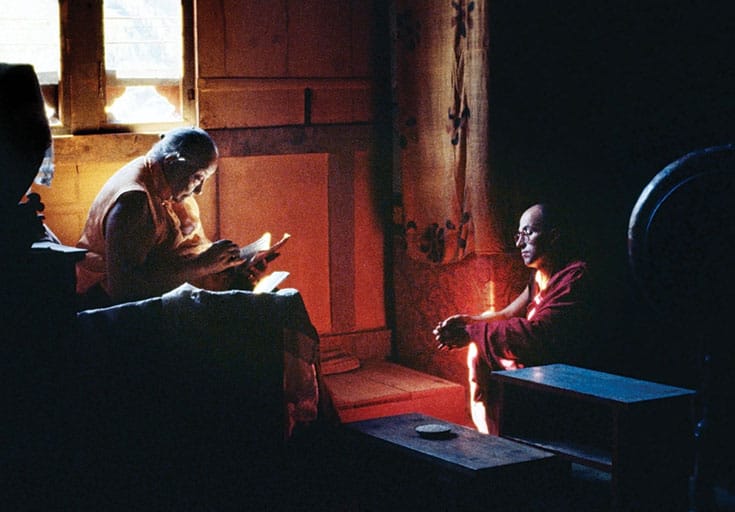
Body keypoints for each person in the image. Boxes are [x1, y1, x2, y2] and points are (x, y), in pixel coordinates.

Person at [433, 203, 593, 434]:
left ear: (554, 236)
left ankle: (504, 436)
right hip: (540, 361)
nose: (519, 244)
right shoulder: (539, 276)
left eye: (528, 233)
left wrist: (470, 333)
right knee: (479, 344)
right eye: (518, 235)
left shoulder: (576, 277)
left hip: (564, 370)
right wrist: (470, 321)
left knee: (481, 342)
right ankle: (488, 432)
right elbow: (507, 314)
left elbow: (539, 335)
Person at [76, 127, 265, 308]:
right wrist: (203, 265)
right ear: (172, 161)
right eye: (198, 178)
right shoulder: (134, 201)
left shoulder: (170, 187)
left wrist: (230, 266)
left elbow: (188, 249)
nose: (199, 191)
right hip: (107, 306)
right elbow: (125, 290)